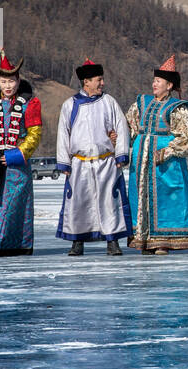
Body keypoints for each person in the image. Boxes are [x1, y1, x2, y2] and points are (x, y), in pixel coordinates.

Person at [55, 58, 132, 255]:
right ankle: (77, 241)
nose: (102, 83)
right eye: (99, 79)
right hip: (79, 164)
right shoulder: (69, 105)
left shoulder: (109, 102)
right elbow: (64, 134)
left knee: (109, 201)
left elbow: (121, 127)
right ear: (86, 81)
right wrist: (64, 162)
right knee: (78, 203)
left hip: (105, 161)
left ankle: (112, 240)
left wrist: (121, 155)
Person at [127, 55, 188, 254]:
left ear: (169, 85)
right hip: (141, 160)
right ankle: (144, 239)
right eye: (154, 80)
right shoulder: (141, 102)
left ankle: (163, 241)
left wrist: (167, 151)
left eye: (158, 81)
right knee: (140, 196)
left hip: (165, 162)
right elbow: (129, 125)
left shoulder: (178, 108)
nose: (154, 84)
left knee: (166, 197)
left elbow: (187, 138)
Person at [0, 50, 41, 256]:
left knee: (15, 205)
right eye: (4, 81)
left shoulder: (31, 103)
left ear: (18, 80)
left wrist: (18, 154)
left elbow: (35, 133)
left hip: (17, 163)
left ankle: (18, 244)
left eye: (12, 81)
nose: (8, 86)